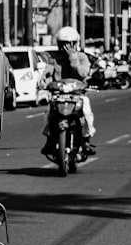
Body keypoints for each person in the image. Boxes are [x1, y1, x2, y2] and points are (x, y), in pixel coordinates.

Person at [41, 25, 96, 160]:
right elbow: (47, 74)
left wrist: (73, 58)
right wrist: (43, 81)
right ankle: (49, 140)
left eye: (70, 44)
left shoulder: (82, 57)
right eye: (64, 44)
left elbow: (83, 73)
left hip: (77, 95)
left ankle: (86, 140)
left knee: (87, 113)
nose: (67, 47)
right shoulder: (54, 59)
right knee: (48, 113)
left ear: (75, 44)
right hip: (59, 95)